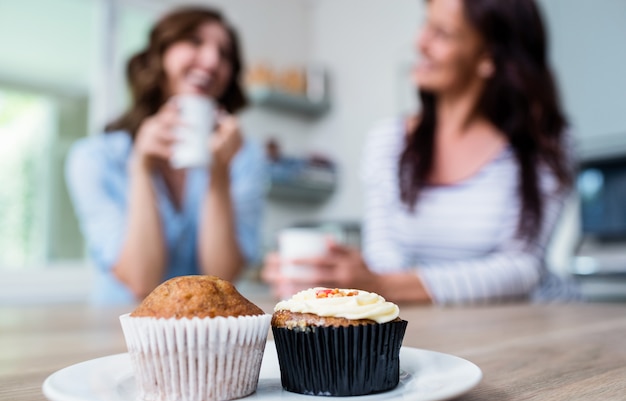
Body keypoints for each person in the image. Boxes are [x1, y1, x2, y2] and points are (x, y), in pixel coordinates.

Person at [262, 0, 579, 304]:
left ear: (488, 57)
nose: (420, 43)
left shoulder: (545, 143)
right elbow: (384, 259)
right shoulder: (388, 141)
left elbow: (521, 269)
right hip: (435, 326)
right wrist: (340, 276)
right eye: (426, 25)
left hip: (538, 324)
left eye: (442, 33)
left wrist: (382, 285)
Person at [66, 6, 267, 305]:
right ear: (159, 56)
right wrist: (141, 168)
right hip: (119, 332)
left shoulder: (244, 158)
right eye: (195, 41)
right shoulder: (95, 159)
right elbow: (141, 281)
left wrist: (219, 172)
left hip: (207, 329)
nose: (213, 61)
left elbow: (223, 280)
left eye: (225, 54)